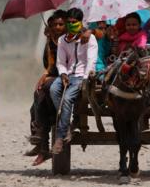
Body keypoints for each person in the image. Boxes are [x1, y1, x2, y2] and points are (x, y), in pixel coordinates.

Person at [50, 8, 98, 154]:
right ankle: (69, 121)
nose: (71, 25)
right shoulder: (62, 40)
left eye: (74, 22)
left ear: (80, 22)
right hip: (68, 75)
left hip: (82, 76)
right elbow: (60, 62)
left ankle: (61, 135)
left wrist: (85, 80)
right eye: (69, 22)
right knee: (53, 90)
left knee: (67, 99)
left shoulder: (89, 38)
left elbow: (91, 61)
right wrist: (63, 74)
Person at [25, 10, 68, 164]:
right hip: (54, 75)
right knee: (36, 100)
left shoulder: (70, 40)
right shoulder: (50, 42)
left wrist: (50, 76)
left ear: (66, 25)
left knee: (42, 93)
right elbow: (48, 66)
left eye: (61, 24)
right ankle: (39, 143)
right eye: (55, 24)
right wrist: (45, 75)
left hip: (67, 77)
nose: (58, 27)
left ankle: (42, 146)